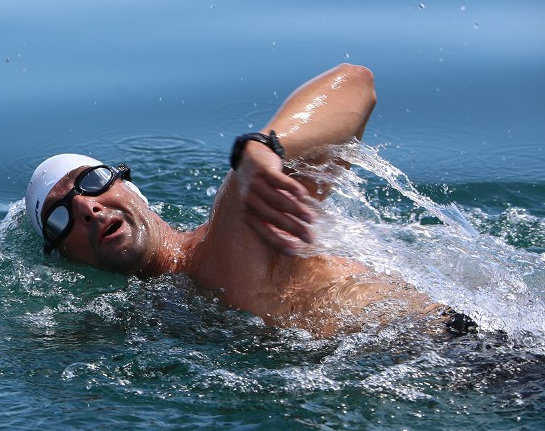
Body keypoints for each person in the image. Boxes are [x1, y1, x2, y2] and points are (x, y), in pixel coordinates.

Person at [25, 64, 474, 338]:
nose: (86, 207)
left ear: (131, 189)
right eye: (59, 218)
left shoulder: (236, 225)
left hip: (480, 362)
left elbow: (356, 84)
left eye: (93, 181)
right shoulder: (150, 312)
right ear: (64, 256)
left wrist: (263, 148)